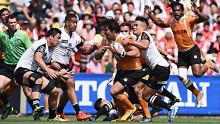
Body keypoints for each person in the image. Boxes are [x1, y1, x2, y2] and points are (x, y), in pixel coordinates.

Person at [145, 1, 219, 108]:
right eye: (174, 10)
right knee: (182, 77)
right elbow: (160, 23)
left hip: (192, 50)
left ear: (182, 11)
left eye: (178, 10)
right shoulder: (171, 22)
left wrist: (197, 12)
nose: (176, 12)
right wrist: (150, 14)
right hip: (182, 53)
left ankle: (209, 64)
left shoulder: (187, 20)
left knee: (197, 74)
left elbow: (205, 18)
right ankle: (198, 94)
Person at [122, 16, 179, 122]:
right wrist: (169, 56)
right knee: (138, 89)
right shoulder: (141, 38)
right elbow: (156, 48)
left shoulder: (144, 35)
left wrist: (130, 42)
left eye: (136, 25)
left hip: (160, 69)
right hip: (156, 68)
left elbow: (144, 46)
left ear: (143, 28)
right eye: (133, 25)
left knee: (145, 95)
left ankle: (170, 108)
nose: (134, 27)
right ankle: (151, 114)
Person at [51, 13, 97, 121]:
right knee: (70, 83)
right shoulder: (59, 33)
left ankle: (59, 111)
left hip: (66, 66)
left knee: (68, 91)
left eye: (76, 22)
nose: (75, 24)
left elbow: (84, 51)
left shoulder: (76, 37)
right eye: (73, 22)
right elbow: (47, 46)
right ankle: (79, 112)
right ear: (66, 22)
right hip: (54, 64)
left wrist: (93, 48)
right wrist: (51, 61)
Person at [14, 28, 66, 121]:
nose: (59, 40)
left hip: (33, 72)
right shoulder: (42, 44)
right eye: (58, 38)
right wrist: (48, 70)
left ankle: (52, 117)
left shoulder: (50, 48)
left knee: (55, 92)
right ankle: (36, 107)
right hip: (21, 71)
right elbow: (38, 59)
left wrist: (57, 69)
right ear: (50, 37)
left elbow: (47, 61)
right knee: (38, 79)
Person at [95, 18, 141, 121]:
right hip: (121, 70)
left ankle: (131, 109)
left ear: (113, 30)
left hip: (134, 69)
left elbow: (136, 52)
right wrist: (100, 51)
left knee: (114, 91)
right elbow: (97, 57)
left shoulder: (124, 38)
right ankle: (123, 115)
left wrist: (123, 53)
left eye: (106, 30)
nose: (104, 32)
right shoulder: (106, 40)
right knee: (115, 96)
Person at [0, 14, 32, 120]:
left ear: (17, 23)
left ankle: (36, 112)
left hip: (20, 66)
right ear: (7, 23)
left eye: (14, 22)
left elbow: (30, 50)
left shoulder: (23, 35)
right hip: (7, 66)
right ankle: (8, 107)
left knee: (27, 91)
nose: (13, 24)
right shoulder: (2, 35)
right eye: (11, 22)